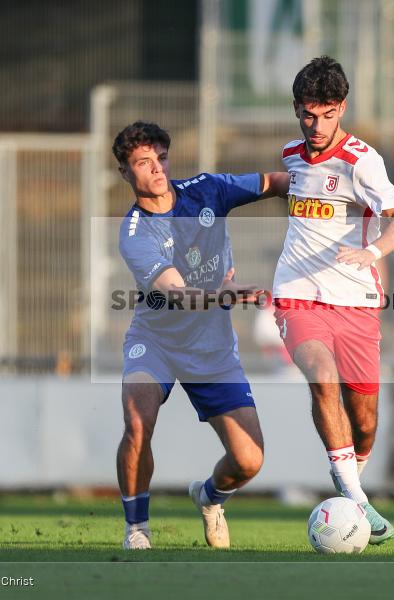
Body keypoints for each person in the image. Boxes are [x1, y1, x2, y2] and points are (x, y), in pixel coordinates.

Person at [114, 121, 289, 550]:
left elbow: (277, 181)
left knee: (249, 461)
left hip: (212, 351)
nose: (157, 169)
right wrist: (222, 295)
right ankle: (137, 527)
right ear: (125, 173)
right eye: (143, 162)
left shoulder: (207, 189)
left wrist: (330, 186)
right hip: (155, 343)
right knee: (138, 422)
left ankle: (209, 499)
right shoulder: (135, 233)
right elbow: (177, 293)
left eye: (161, 158)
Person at [272, 57, 394, 544]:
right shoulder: (292, 153)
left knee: (366, 423)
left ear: (342, 109)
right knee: (322, 375)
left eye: (328, 114)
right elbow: (292, 192)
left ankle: (352, 480)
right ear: (297, 109)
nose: (317, 126)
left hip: (356, 302)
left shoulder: (362, 160)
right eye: (309, 114)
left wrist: (371, 251)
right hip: (297, 294)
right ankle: (354, 499)